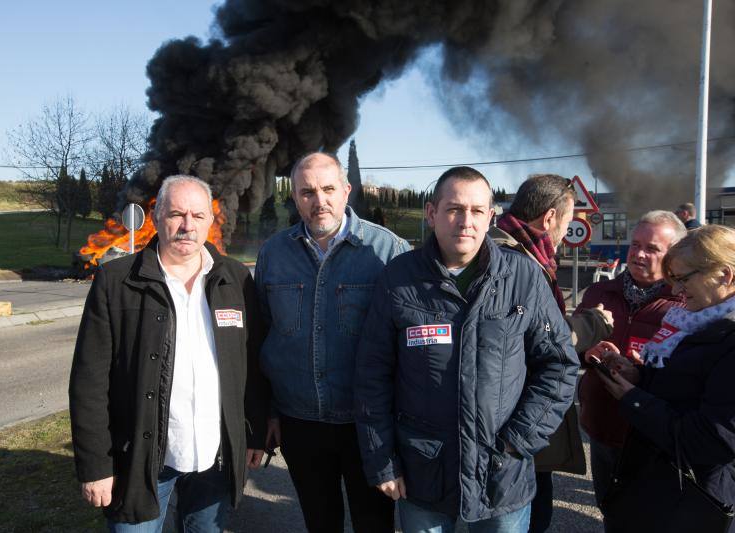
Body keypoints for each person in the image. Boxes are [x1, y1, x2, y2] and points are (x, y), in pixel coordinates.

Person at [354, 166, 579, 533]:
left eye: (477, 211)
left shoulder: (522, 277)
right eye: (454, 209)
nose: (466, 221)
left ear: (491, 216)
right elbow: (372, 376)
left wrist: (517, 441)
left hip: (502, 478)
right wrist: (382, 461)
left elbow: (558, 366)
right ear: (432, 214)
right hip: (423, 474)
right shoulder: (400, 280)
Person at [69, 175, 270, 531]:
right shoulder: (117, 282)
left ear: (212, 220)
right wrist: (96, 466)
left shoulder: (236, 280)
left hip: (215, 457)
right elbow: (89, 382)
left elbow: (250, 365)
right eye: (176, 214)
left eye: (197, 215)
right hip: (142, 459)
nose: (187, 225)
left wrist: (253, 434)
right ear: (157, 216)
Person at [254, 152, 409, 532]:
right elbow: (263, 336)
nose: (318, 201)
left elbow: (407, 345)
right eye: (307, 192)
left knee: (374, 524)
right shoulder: (273, 255)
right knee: (320, 523)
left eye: (327, 189)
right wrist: (269, 412)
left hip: (368, 426)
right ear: (294, 196)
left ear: (346, 191)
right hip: (299, 422)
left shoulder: (387, 252)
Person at [490, 174, 613, 533]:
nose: (566, 231)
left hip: (512, 417)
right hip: (517, 418)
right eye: (568, 220)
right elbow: (537, 340)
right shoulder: (519, 263)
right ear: (548, 219)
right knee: (529, 516)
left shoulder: (513, 252)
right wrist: (593, 323)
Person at [597, 224, 735, 532]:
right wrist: (640, 376)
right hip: (666, 487)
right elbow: (686, 386)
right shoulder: (697, 321)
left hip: (696, 498)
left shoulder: (726, 335)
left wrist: (633, 399)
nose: (675, 292)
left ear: (725, 275)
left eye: (683, 279)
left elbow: (711, 440)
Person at [575, 210, 686, 517]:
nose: (638, 254)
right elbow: (568, 351)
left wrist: (644, 373)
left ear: (673, 255)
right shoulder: (600, 292)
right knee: (609, 509)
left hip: (654, 438)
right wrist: (586, 351)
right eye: (635, 245)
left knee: (651, 517)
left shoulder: (686, 303)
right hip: (602, 426)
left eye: (652, 249)